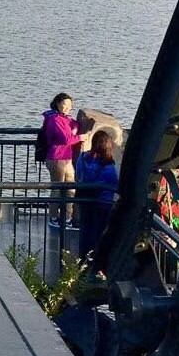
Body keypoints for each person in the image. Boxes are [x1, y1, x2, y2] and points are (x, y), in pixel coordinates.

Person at [74, 130, 118, 261]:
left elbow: (78, 175)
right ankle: (98, 260)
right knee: (100, 232)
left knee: (86, 229)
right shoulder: (108, 166)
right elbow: (114, 183)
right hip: (102, 203)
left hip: (84, 199)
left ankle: (84, 258)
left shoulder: (82, 158)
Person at [42, 92, 84, 226]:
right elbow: (66, 139)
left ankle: (67, 218)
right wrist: (81, 137)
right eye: (64, 104)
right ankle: (54, 218)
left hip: (67, 158)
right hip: (56, 158)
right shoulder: (55, 119)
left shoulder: (64, 118)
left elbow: (74, 123)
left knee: (71, 188)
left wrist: (75, 128)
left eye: (70, 105)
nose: (67, 108)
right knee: (57, 189)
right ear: (57, 104)